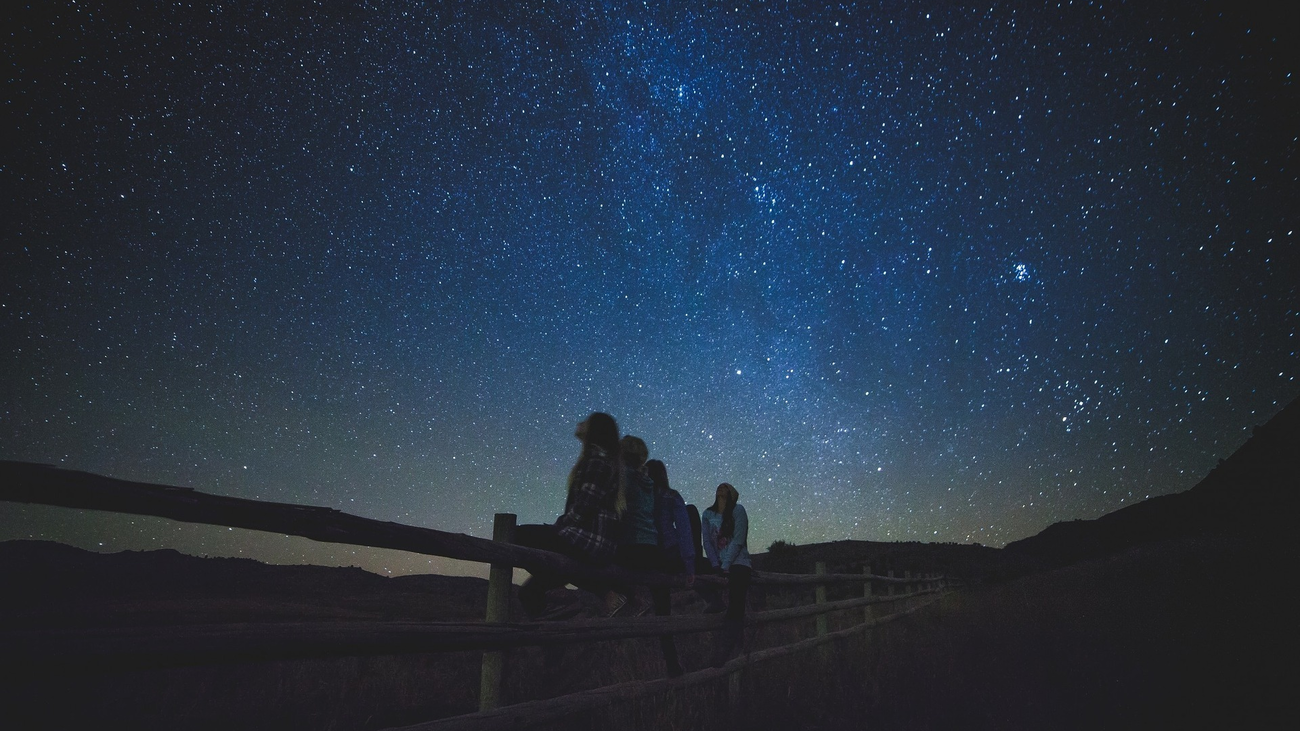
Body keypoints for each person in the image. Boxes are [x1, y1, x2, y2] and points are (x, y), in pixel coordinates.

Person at [514, 413, 623, 620]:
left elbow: (583, 509)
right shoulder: (599, 460)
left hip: (590, 542)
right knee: (528, 594)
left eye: (585, 421)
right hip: (590, 541)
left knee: (514, 534)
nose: (579, 423)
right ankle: (558, 619)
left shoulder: (597, 461)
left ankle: (597, 593)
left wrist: (557, 528)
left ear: (595, 430)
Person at [702, 482, 751, 667]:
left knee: (736, 604)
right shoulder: (707, 514)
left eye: (726, 486)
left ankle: (723, 650)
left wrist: (726, 565)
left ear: (732, 493)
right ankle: (714, 602)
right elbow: (707, 541)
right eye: (719, 486)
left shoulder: (738, 511)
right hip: (719, 563)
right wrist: (716, 564)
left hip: (738, 562)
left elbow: (738, 540)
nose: (721, 487)